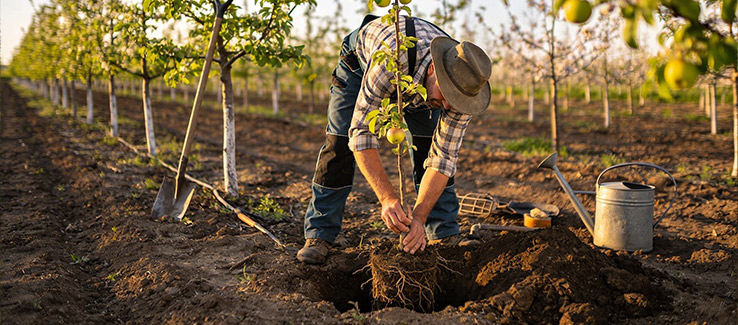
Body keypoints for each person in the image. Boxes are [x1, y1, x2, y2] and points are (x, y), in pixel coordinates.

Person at [297, 15, 491, 265]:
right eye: (446, 95)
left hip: (420, 83)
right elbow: (361, 135)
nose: (446, 106)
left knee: (427, 145)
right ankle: (320, 232)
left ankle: (441, 231)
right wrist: (387, 198)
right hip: (362, 67)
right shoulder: (390, 62)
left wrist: (418, 217)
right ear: (434, 70)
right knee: (340, 141)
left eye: (455, 100)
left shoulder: (464, 90)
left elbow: (443, 158)